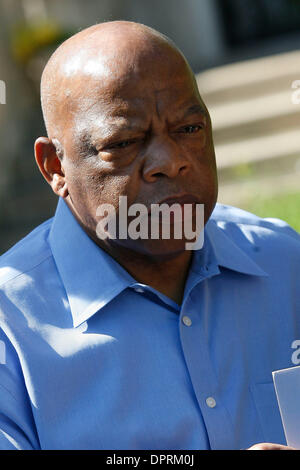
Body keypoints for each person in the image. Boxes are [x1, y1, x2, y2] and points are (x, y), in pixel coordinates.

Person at [0, 21, 299, 450]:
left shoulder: (285, 264)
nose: (170, 161)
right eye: (124, 142)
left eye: (189, 130)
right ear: (55, 167)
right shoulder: (11, 332)